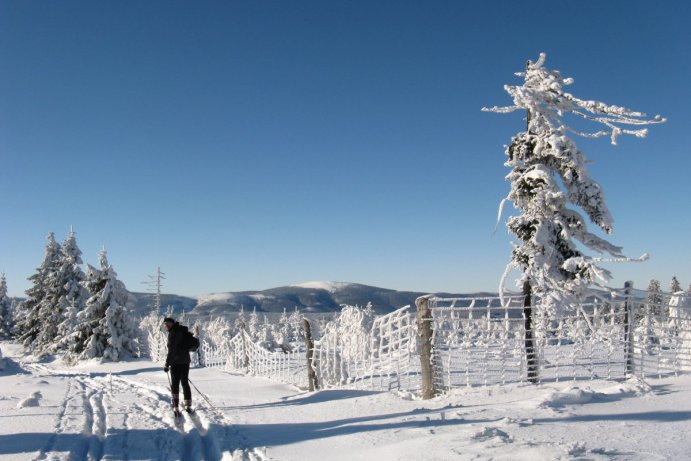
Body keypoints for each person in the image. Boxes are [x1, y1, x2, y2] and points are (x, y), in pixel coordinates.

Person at [163, 317, 192, 414]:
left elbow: (171, 351)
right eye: (165, 324)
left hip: (176, 362)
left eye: (168, 323)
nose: (166, 325)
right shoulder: (181, 330)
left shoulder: (173, 333)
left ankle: (175, 406)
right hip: (185, 361)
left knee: (175, 384)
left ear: (172, 323)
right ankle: (188, 405)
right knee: (185, 382)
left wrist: (167, 364)